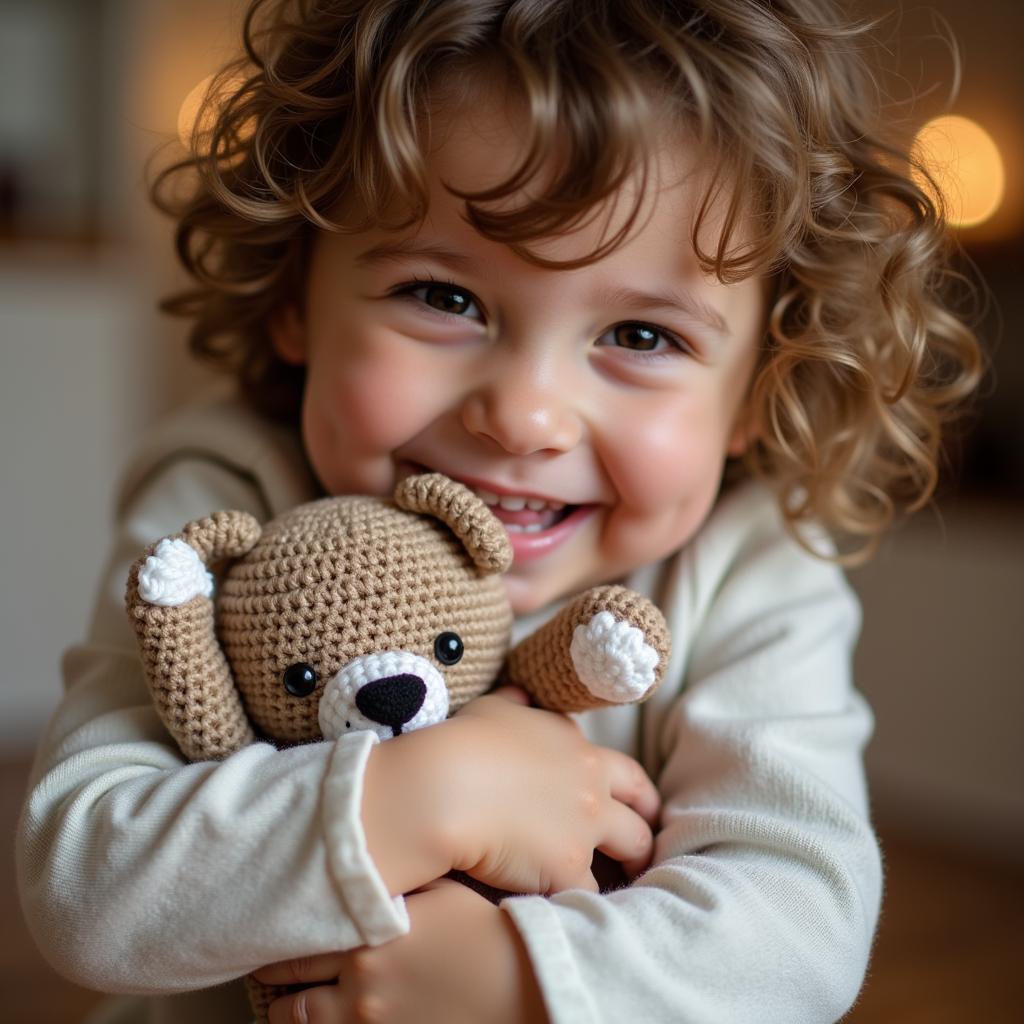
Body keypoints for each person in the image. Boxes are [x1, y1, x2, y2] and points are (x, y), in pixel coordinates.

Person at [17, 1, 982, 1022]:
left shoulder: (751, 572)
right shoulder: (223, 508)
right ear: (294, 293)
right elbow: (86, 886)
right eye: (444, 296)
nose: (524, 416)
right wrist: (428, 798)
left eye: (641, 336)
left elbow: (796, 936)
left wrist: (516, 975)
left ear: (755, 390)